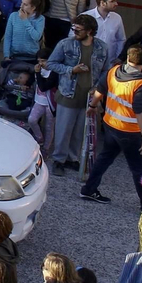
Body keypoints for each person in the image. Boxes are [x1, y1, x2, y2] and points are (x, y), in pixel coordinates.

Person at [80, 44, 142, 209]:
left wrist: (92, 106)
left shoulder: (113, 71)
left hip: (111, 126)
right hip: (131, 133)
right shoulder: (141, 84)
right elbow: (139, 112)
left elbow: (100, 90)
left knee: (104, 158)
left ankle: (88, 189)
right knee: (139, 169)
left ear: (127, 58)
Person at [47, 14, 109, 175]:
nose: (74, 31)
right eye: (74, 28)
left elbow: (106, 71)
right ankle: (58, 160)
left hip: (88, 97)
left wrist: (98, 88)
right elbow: (51, 63)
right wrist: (70, 70)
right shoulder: (65, 44)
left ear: (89, 31)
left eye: (78, 29)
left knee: (80, 131)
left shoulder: (102, 47)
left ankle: (72, 159)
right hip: (68, 94)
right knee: (63, 130)